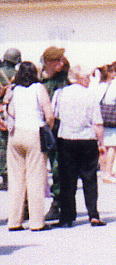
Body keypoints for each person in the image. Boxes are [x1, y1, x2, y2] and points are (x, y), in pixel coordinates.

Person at [53, 63, 106, 227]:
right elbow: (97, 122)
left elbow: (54, 115)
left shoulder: (60, 93)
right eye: (87, 77)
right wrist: (101, 143)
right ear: (80, 78)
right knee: (89, 177)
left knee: (67, 179)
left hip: (66, 138)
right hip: (87, 139)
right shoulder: (91, 95)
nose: (89, 80)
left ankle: (67, 217)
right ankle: (93, 214)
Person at [3, 60, 54, 231]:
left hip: (15, 134)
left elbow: (10, 112)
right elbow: (49, 114)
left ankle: (14, 221)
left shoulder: (14, 89)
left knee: (16, 179)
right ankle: (37, 222)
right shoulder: (39, 88)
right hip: (34, 133)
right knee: (35, 178)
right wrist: (48, 128)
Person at [40, 45, 70, 221]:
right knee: (33, 168)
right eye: (57, 60)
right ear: (48, 61)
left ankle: (57, 203)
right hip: (37, 127)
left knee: (58, 167)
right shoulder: (36, 79)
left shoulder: (64, 80)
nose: (61, 63)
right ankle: (29, 205)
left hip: (57, 129)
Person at [0, 46, 22, 190]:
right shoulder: (19, 75)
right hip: (13, 113)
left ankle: (3, 173)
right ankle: (10, 176)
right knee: (12, 144)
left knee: (1, 145)